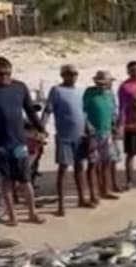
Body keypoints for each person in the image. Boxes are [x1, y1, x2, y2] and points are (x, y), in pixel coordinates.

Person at [0, 56, 46, 225]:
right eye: (1, 74)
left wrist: (41, 128)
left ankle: (32, 213)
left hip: (19, 143)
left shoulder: (20, 87)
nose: (5, 77)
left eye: (8, 73)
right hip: (0, 144)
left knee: (25, 179)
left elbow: (30, 111)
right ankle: (12, 216)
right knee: (6, 181)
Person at [41, 64, 89, 216]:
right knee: (63, 170)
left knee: (80, 168)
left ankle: (82, 199)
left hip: (80, 136)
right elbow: (47, 110)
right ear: (63, 75)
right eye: (70, 73)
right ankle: (61, 206)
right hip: (64, 137)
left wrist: (89, 129)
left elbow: (84, 113)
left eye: (75, 73)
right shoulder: (56, 90)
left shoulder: (81, 91)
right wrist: (41, 128)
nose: (73, 76)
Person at [83, 70, 120, 202]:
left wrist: (115, 126)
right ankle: (93, 193)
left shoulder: (110, 94)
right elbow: (83, 111)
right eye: (101, 83)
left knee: (107, 162)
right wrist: (87, 128)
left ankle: (105, 189)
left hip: (107, 132)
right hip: (93, 133)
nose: (104, 85)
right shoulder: (89, 93)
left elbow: (113, 111)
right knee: (93, 164)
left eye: (107, 83)